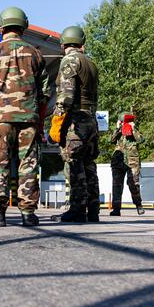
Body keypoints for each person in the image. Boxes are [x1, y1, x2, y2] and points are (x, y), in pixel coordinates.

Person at [0, 7, 50, 227]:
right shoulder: (36, 54)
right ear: (23, 26)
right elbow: (45, 93)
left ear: (1, 27)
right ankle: (28, 213)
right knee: (28, 164)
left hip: (0, 120)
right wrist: (39, 122)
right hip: (29, 119)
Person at [48, 26, 101, 223]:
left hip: (75, 121)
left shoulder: (69, 60)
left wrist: (57, 120)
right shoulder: (91, 63)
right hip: (90, 119)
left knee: (74, 163)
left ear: (63, 44)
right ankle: (93, 210)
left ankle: (77, 209)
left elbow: (67, 94)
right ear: (82, 43)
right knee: (89, 164)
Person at [109, 112, 145, 216]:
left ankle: (138, 205)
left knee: (133, 184)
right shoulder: (118, 131)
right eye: (123, 122)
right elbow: (111, 140)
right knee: (116, 185)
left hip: (132, 162)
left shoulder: (134, 131)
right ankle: (116, 209)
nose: (125, 123)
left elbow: (141, 140)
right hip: (118, 162)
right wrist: (118, 128)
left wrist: (133, 129)